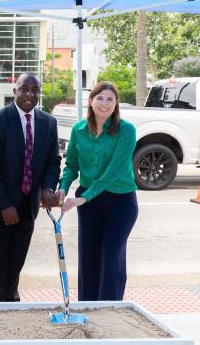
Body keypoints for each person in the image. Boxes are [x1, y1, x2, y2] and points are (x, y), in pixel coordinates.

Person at [0, 73, 61, 302]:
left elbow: (54, 159)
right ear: (15, 91)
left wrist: (48, 188)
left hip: (27, 206)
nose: (29, 94)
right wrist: (4, 205)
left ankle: (11, 303)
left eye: (35, 90)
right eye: (24, 89)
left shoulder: (48, 122)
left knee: (16, 262)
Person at [58, 81, 138, 301]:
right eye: (100, 98)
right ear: (91, 101)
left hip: (120, 202)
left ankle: (110, 312)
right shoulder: (79, 130)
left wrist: (83, 198)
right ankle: (87, 308)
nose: (104, 104)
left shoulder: (126, 130)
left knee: (111, 258)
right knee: (89, 258)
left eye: (110, 99)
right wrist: (62, 190)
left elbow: (113, 172)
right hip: (89, 204)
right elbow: (72, 164)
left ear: (116, 104)